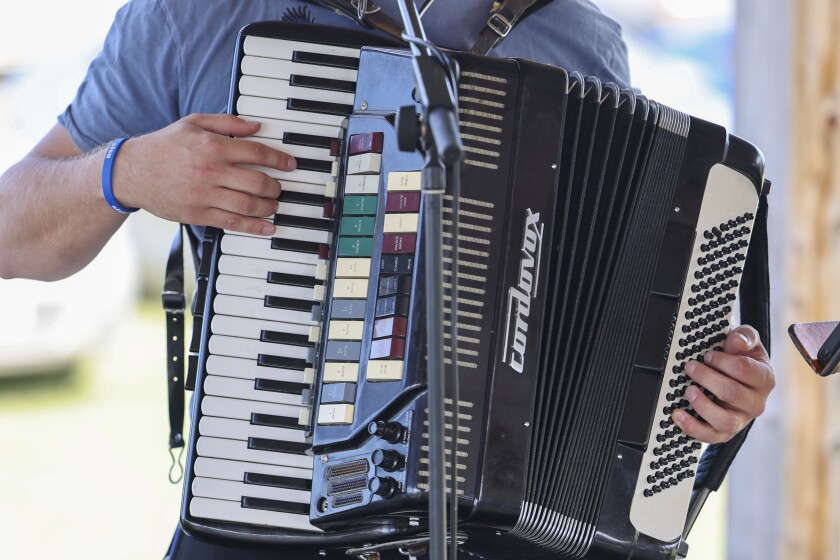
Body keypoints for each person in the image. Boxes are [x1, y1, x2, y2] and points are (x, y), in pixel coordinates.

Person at [0, 1, 775, 558]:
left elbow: (621, 311)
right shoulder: (196, 16)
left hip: (505, 527)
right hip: (270, 506)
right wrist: (125, 171)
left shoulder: (570, 33)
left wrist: (706, 389)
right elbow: (12, 232)